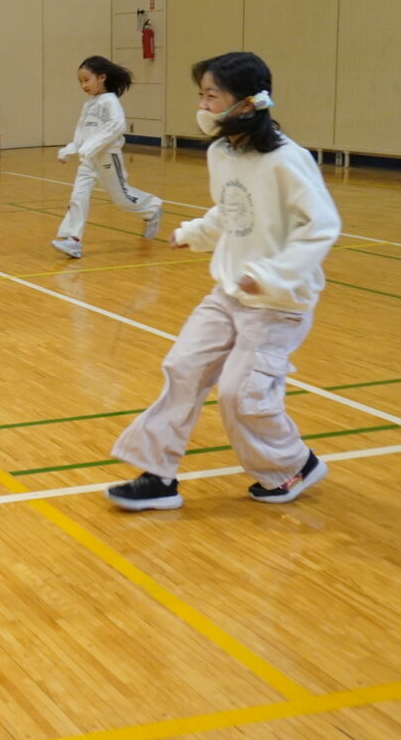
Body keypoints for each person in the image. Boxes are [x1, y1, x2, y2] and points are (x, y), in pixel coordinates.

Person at [107, 52, 341, 511]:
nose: (203, 104)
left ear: (248, 103)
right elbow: (231, 210)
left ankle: (292, 465)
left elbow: (321, 226)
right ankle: (158, 476)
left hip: (277, 304)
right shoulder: (222, 152)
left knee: (240, 393)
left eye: (212, 95)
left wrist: (271, 275)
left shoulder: (287, 161)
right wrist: (194, 234)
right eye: (201, 94)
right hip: (228, 292)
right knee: (182, 369)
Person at [51, 55, 163, 259]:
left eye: (87, 80)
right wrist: (70, 149)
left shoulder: (110, 101)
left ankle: (151, 208)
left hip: (107, 158)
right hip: (88, 160)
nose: (83, 85)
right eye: (80, 81)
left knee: (121, 198)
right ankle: (72, 240)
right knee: (78, 196)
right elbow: (81, 131)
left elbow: (117, 126)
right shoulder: (88, 105)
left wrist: (92, 145)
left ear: (101, 77)